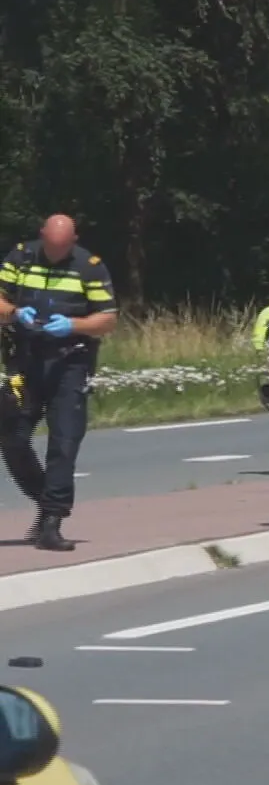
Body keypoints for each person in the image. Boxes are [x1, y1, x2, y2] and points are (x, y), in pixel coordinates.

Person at [0, 215, 119, 551]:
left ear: (74, 240)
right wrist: (12, 313)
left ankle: (52, 522)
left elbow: (107, 319)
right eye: (51, 245)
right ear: (41, 237)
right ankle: (42, 496)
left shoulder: (90, 266)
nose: (56, 252)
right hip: (25, 359)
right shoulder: (20, 257)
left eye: (63, 246)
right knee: (11, 435)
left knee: (64, 442)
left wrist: (73, 324)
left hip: (70, 362)